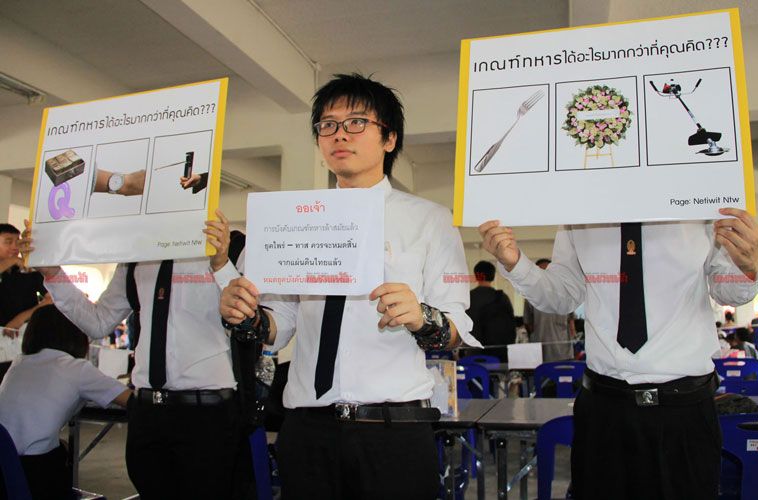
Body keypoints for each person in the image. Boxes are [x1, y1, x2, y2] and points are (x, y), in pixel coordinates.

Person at [219, 73, 476, 500]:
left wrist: (421, 317)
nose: (340, 134)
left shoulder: (430, 220)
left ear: (389, 139)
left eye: (357, 122)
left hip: (393, 432)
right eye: (328, 125)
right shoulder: (294, 218)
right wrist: (246, 315)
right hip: (308, 431)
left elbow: (456, 331)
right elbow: (279, 325)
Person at [479, 209, 758, 499]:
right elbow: (563, 295)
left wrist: (747, 267)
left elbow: (727, 291)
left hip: (684, 410)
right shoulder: (581, 207)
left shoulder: (699, 201)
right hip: (604, 408)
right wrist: (516, 264)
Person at [20, 210, 248, 499]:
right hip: (147, 413)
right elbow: (99, 321)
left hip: (207, 414)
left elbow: (251, 318)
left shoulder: (230, 247)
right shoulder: (137, 255)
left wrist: (221, 263)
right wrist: (54, 274)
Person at [0, 305, 130, 500]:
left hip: (7, 468)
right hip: (36, 474)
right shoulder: (76, 368)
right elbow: (131, 400)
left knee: (61, 447)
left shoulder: (19, 363)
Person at [0, 223, 51, 333]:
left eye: (17, 242)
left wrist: (20, 319)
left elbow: (51, 299)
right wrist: (12, 260)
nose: (15, 247)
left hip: (24, 333)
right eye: (8, 242)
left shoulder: (28, 270)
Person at [523, 258, 576, 362]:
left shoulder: (566, 293)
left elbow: (571, 324)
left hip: (563, 353)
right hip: (540, 353)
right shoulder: (530, 295)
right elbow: (528, 324)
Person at [466, 260, 515, 360]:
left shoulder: (468, 297)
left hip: (474, 351)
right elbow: (512, 322)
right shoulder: (502, 297)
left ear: (477, 276)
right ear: (493, 276)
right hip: (499, 351)